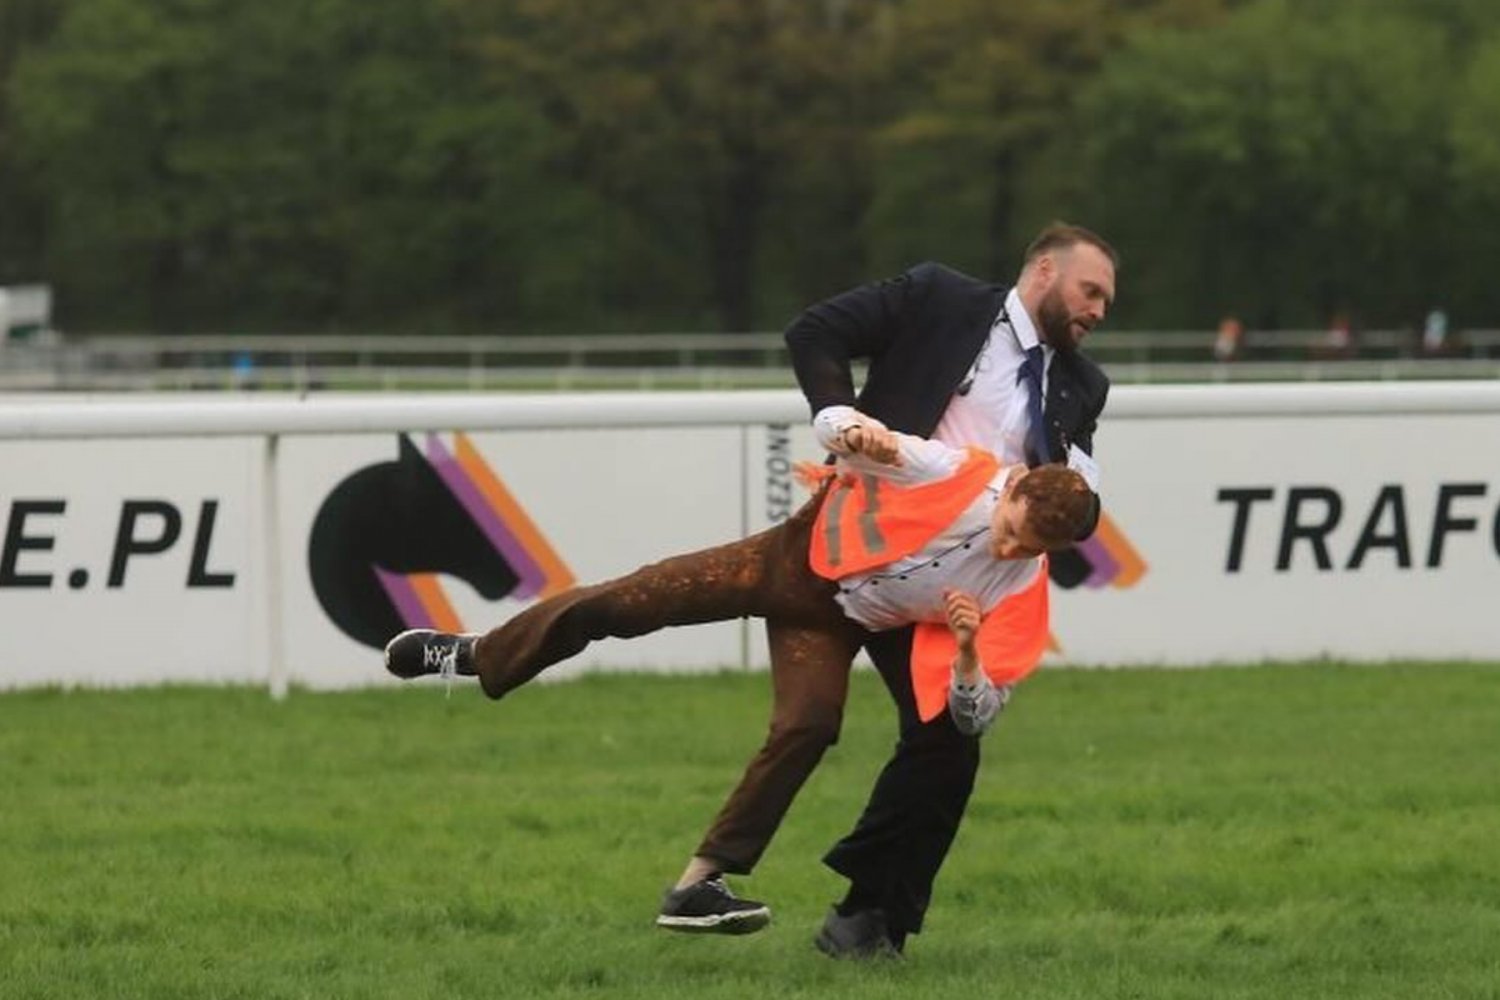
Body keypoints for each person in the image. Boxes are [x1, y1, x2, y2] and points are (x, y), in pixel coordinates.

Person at [383, 424, 1094, 946]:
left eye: (1029, 549)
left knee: (810, 727)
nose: (1009, 551)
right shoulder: (952, 469)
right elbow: (839, 431)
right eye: (1010, 530)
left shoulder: (1022, 584)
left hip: (838, 625)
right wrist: (851, 431)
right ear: (1013, 488)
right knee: (630, 601)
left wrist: (968, 652)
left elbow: (974, 718)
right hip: (789, 564)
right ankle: (478, 655)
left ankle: (697, 886)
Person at [782, 222, 1117, 957]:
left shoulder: (1085, 387)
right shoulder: (939, 296)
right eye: (1090, 291)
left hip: (954, 589)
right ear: (1041, 272)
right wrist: (838, 416)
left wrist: (1073, 506)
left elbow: (1082, 506)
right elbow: (815, 332)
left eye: (1106, 302)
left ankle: (866, 920)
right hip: (858, 546)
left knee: (949, 745)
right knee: (681, 615)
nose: (1098, 310)